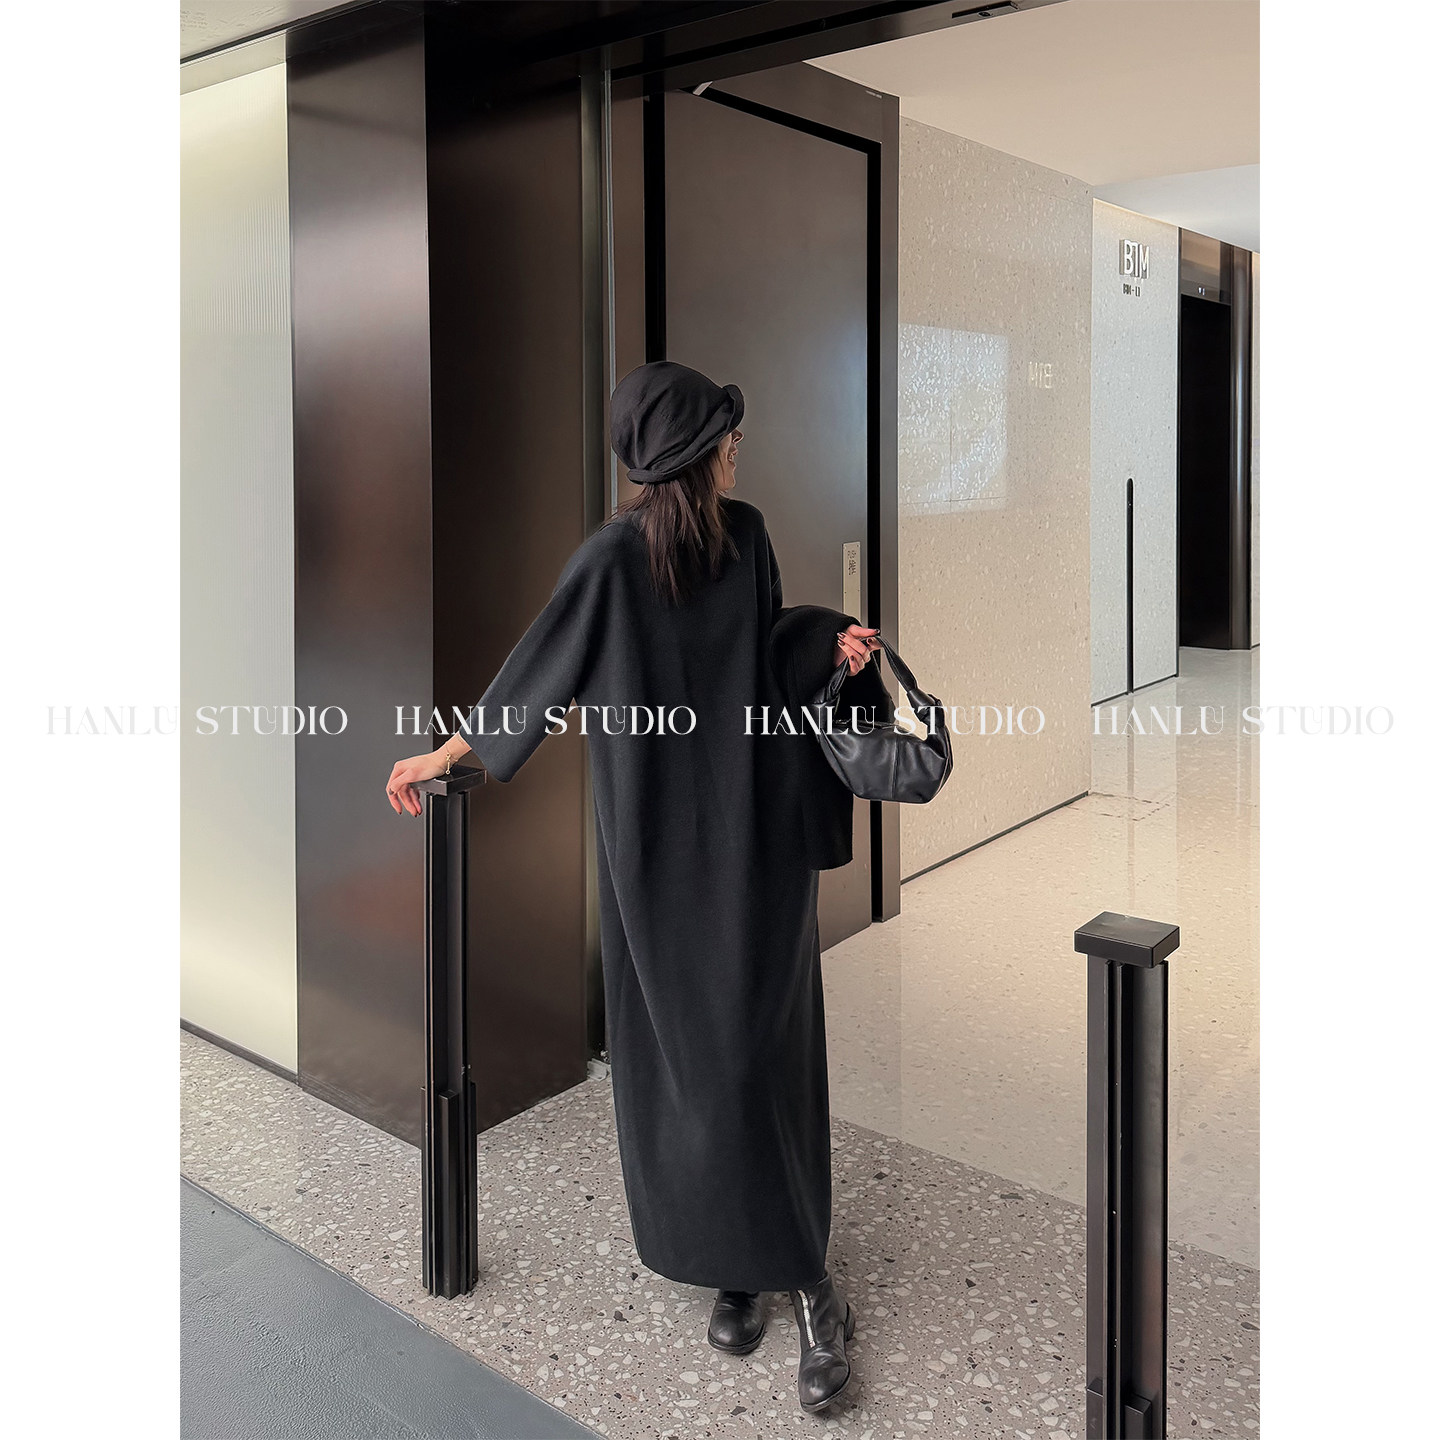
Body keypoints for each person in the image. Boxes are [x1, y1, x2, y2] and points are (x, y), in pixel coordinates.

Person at [385, 360, 885, 1414]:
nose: (738, 449)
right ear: (694, 454)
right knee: (692, 1067)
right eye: (725, 436)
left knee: (763, 1060)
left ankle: (810, 1282)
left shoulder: (747, 537)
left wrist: (825, 645)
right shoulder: (612, 563)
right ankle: (737, 1264)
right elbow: (536, 674)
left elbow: (765, 654)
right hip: (656, 860)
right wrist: (446, 756)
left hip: (757, 842)